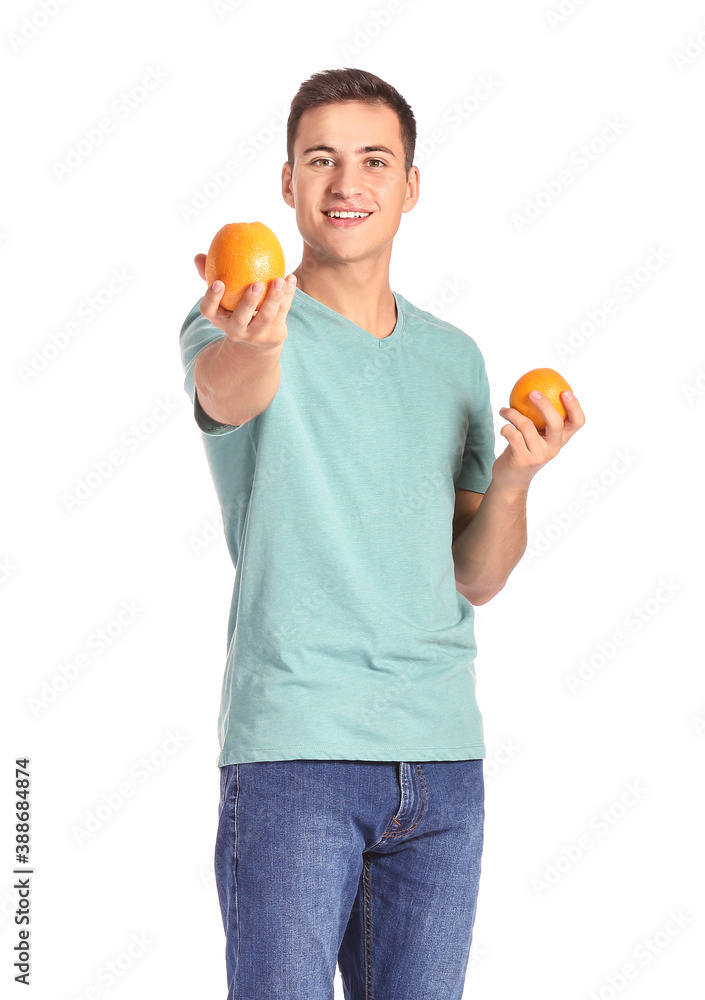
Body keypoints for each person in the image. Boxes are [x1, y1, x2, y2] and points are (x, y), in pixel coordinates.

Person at [179, 67, 585, 1000]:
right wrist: (255, 342)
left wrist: (518, 476)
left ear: (410, 186)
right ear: (287, 183)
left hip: (442, 763)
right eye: (319, 159)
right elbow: (226, 391)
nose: (345, 183)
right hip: (295, 758)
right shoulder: (236, 319)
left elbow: (476, 576)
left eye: (373, 160)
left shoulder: (453, 358)